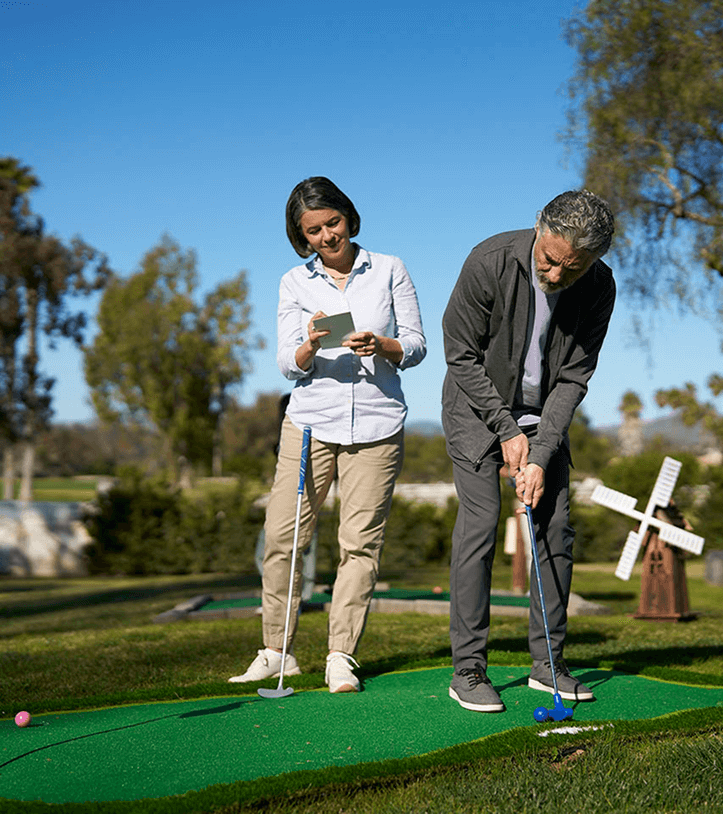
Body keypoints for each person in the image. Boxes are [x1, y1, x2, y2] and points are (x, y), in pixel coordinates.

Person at [230, 176, 426, 692]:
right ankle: (277, 651)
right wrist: (309, 346)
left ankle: (341, 656)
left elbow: (418, 345)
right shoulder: (294, 282)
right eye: (313, 230)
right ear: (302, 235)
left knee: (358, 545)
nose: (326, 237)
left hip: (378, 425)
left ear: (349, 217)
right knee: (282, 536)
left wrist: (381, 345)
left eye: (332, 223)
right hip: (310, 424)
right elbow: (285, 363)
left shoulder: (389, 269)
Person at [441, 189, 615, 712]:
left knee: (555, 529)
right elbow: (459, 353)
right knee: (481, 527)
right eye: (550, 259)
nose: (557, 274)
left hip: (544, 419)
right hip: (476, 411)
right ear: (538, 227)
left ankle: (548, 664)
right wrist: (506, 429)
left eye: (573, 266)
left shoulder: (599, 286)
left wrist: (539, 451)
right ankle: (468, 669)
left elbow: (574, 377)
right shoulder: (489, 261)